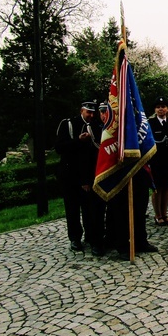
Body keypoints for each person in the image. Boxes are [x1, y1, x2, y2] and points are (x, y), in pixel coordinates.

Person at [55, 101, 105, 255]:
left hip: (89, 174)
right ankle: (75, 238)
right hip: (70, 174)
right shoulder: (68, 124)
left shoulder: (96, 126)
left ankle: (93, 237)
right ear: (81, 111)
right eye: (87, 112)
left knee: (92, 209)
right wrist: (78, 141)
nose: (90, 115)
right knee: (72, 208)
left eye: (92, 113)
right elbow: (59, 147)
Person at [149, 96, 168, 226]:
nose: (161, 109)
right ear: (155, 109)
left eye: (163, 107)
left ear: (167, 108)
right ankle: (157, 214)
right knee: (157, 188)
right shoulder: (151, 123)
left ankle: (164, 213)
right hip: (156, 161)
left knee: (167, 187)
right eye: (158, 107)